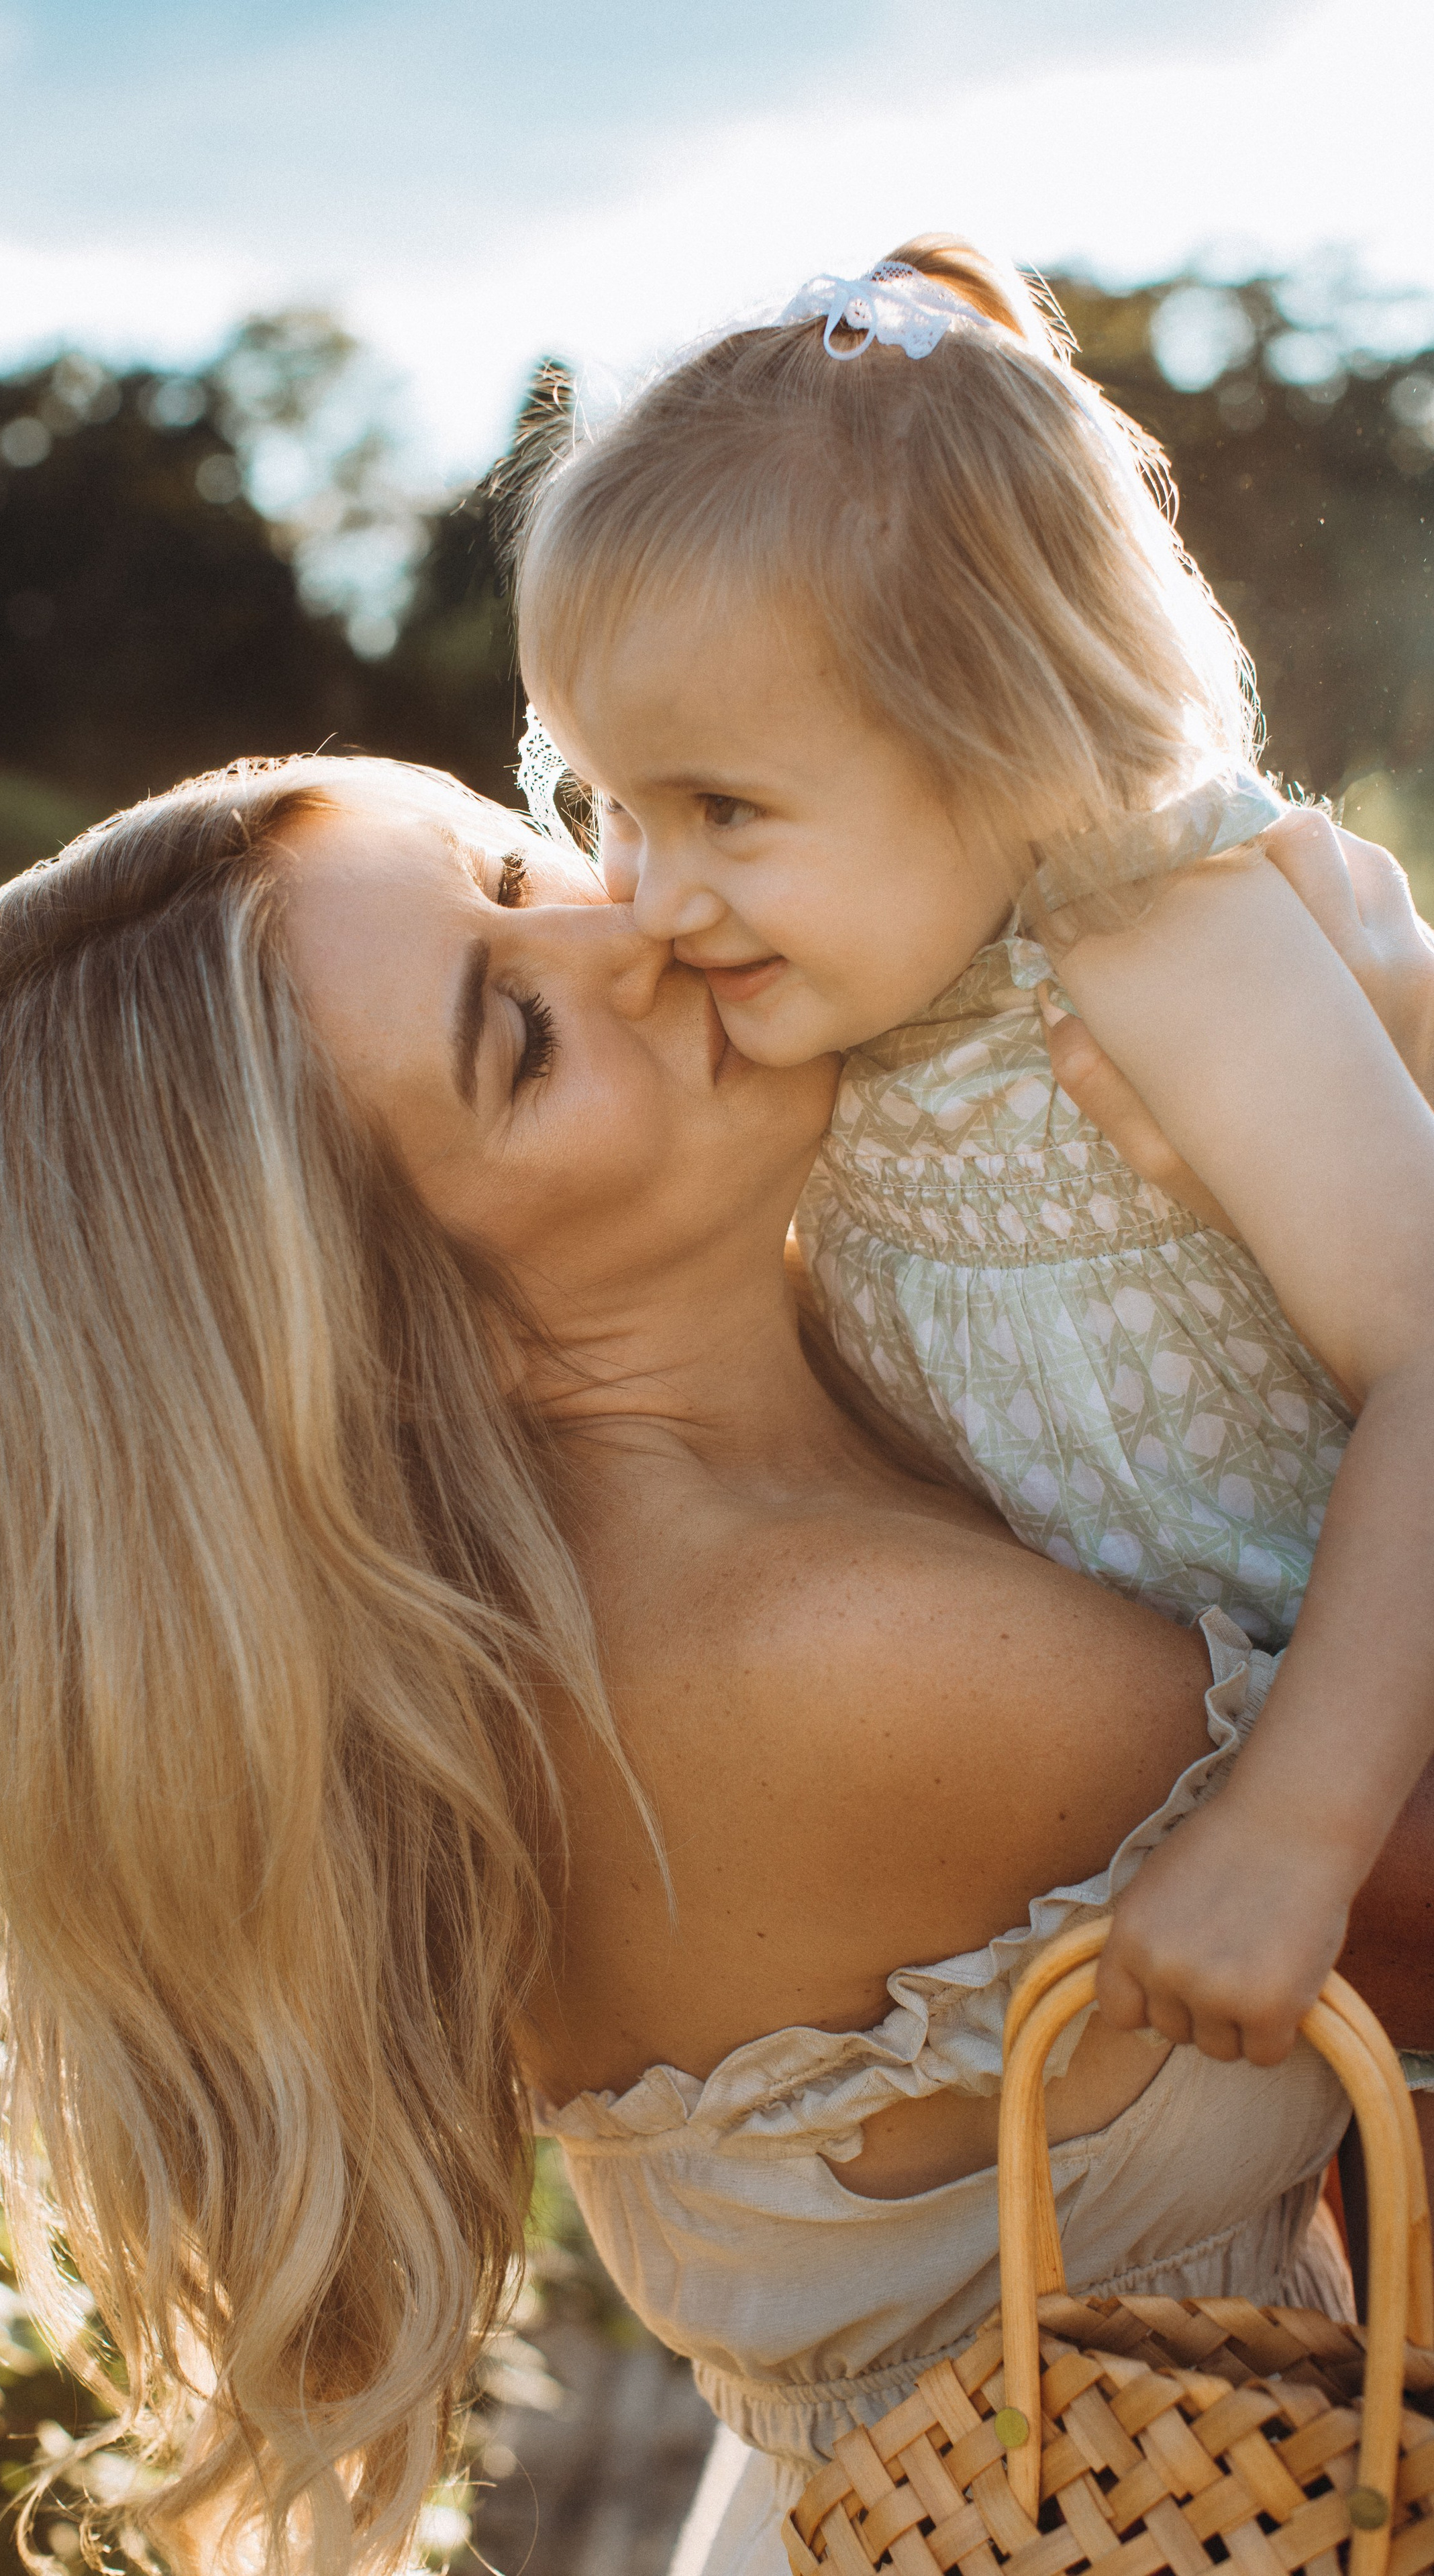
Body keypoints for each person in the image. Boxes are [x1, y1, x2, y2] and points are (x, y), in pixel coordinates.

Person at [0, 755, 1434, 2576]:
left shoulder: (805, 1428)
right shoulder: (798, 1660)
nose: (634, 930)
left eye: (521, 863)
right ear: (407, 1338)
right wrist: (1382, 1086)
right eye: (519, 1034)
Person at [511, 233, 1434, 2074]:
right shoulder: (825, 1021)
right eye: (613, 802)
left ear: (992, 739)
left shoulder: (1156, 940)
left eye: (724, 809)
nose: (649, 889)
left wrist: (1296, 1829)